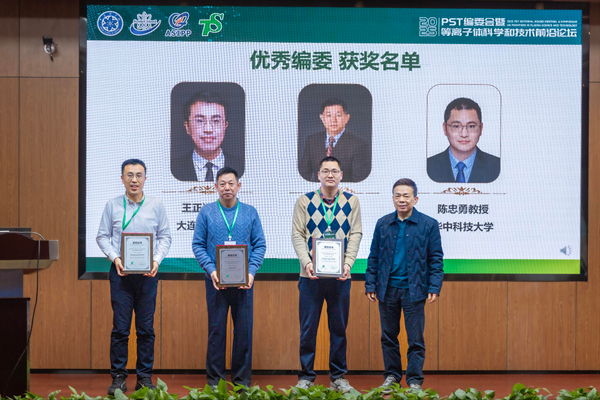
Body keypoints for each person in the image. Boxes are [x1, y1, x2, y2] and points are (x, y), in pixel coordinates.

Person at [96, 159, 172, 395]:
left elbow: (165, 237)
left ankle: (144, 378)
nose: (134, 180)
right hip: (121, 274)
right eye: (129, 175)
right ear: (122, 179)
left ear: (145, 179)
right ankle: (118, 377)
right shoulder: (112, 205)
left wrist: (156, 260)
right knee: (120, 329)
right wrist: (115, 258)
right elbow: (102, 236)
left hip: (148, 275)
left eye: (139, 175)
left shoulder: (156, 205)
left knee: (146, 329)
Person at [365, 178, 444, 392]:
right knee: (388, 337)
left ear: (415, 199)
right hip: (387, 289)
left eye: (406, 196)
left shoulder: (428, 224)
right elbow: (374, 256)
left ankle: (415, 380)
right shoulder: (383, 223)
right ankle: (392, 377)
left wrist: (434, 287)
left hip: (414, 290)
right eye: (398, 196)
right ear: (393, 198)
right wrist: (370, 284)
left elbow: (436, 258)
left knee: (415, 339)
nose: (402, 199)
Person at [292, 156, 363, 393]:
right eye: (325, 171)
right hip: (310, 277)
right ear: (318, 175)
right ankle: (306, 376)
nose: (330, 175)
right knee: (308, 329)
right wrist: (307, 262)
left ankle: (338, 377)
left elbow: (356, 234)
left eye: (334, 171)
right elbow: (297, 234)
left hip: (340, 277)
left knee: (338, 329)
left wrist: (348, 263)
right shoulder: (305, 201)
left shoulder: (351, 201)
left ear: (341, 175)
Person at [192, 167, 266, 387]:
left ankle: (241, 381)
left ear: (238, 186)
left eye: (231, 183)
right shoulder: (206, 212)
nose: (227, 188)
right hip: (216, 283)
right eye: (222, 184)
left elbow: (260, 245)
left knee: (243, 332)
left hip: (244, 283)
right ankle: (215, 381)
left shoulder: (250, 212)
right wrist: (211, 270)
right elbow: (198, 245)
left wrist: (251, 272)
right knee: (216, 332)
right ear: (215, 187)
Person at [172, 91, 244, 181]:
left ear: (225, 125)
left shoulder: (243, 167)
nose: (208, 129)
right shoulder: (174, 168)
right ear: (187, 127)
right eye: (200, 121)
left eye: (216, 121)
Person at [427, 97, 500, 183]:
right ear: (445, 128)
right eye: (456, 126)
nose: (464, 134)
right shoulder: (428, 166)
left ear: (481, 128)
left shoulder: (497, 166)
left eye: (471, 126)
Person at [299, 99, 371, 183]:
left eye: (338, 115)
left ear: (347, 118)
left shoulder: (359, 144)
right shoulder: (312, 141)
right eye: (328, 115)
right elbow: (303, 173)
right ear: (322, 118)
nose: (333, 120)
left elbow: (359, 180)